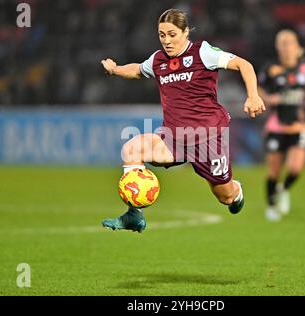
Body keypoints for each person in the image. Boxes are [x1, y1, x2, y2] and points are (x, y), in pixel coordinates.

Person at [100, 9, 266, 233]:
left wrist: (253, 96)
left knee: (225, 197)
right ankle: (134, 215)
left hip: (208, 139)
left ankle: (236, 192)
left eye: (172, 34)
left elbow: (243, 65)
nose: (166, 41)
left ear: (185, 32)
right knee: (132, 149)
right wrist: (116, 70)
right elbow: (138, 70)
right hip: (173, 139)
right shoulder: (158, 60)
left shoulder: (203, 52)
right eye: (161, 35)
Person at [258, 29, 305, 222]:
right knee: (273, 171)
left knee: (296, 168)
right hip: (276, 126)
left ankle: (284, 188)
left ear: (298, 46)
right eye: (282, 43)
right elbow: (257, 88)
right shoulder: (270, 68)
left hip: (299, 125)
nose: (286, 47)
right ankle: (271, 206)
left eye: (290, 42)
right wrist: (267, 98)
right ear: (278, 47)